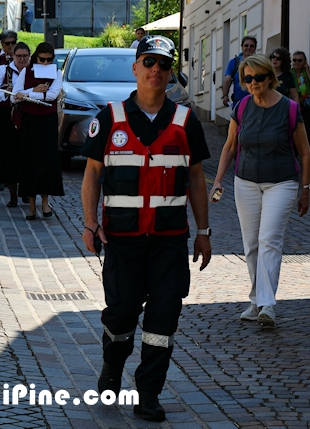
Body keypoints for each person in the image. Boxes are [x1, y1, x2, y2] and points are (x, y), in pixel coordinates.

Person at [80, 35, 212, 422]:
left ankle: (148, 393)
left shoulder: (185, 121)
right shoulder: (110, 118)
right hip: (122, 240)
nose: (156, 70)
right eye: (149, 62)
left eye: (164, 65)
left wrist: (203, 230)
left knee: (163, 320)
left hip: (170, 241)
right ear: (136, 67)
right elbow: (92, 175)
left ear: (171, 73)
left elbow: (197, 179)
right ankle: (111, 370)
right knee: (121, 315)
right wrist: (90, 223)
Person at [210, 54, 310, 328]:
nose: (253, 83)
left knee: (269, 239)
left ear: (270, 78)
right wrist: (218, 180)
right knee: (251, 243)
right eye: (248, 78)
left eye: (259, 78)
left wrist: (305, 189)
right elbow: (230, 146)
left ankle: (267, 305)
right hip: (246, 181)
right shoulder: (242, 107)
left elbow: (304, 152)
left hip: (282, 182)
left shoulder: (289, 109)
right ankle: (256, 300)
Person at [14, 42, 64, 219]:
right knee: (30, 161)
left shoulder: (57, 73)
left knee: (47, 161)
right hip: (30, 121)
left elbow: (51, 95)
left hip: (47, 121)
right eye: (42, 59)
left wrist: (27, 95)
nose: (45, 63)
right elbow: (15, 96)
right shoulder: (26, 71)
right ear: (36, 57)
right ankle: (32, 206)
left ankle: (45, 203)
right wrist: (33, 90)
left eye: (49, 60)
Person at [0, 42, 28, 206]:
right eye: (19, 56)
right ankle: (12, 195)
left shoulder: (33, 71)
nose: (22, 59)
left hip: (28, 116)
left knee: (27, 156)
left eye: (25, 56)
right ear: (13, 56)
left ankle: (27, 192)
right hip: (7, 117)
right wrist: (6, 94)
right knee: (10, 156)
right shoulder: (3, 70)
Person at [292, 51, 310, 162]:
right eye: (294, 60)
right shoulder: (289, 73)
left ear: (304, 62)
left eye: (300, 60)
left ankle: (308, 159)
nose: (297, 62)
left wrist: (307, 70)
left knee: (306, 132)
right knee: (293, 131)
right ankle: (294, 157)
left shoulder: (305, 73)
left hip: (305, 107)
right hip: (293, 106)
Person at [222, 35, 257, 108]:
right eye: (246, 45)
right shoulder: (234, 62)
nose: (248, 48)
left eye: (251, 46)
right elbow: (227, 81)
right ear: (242, 47)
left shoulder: (259, 63)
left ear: (255, 48)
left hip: (256, 103)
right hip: (238, 102)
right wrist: (225, 96)